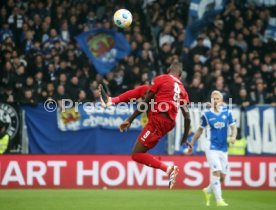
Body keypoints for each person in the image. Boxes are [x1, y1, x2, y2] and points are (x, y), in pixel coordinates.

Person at [110, 62, 192, 189]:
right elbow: (187, 118)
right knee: (144, 89)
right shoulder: (183, 91)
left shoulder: (161, 79)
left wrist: (130, 119)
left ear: (168, 70)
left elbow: (145, 103)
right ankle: (112, 100)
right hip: (169, 123)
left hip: (158, 120)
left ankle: (169, 169)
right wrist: (185, 137)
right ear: (180, 76)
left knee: (136, 154)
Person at [188, 90, 237, 206]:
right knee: (216, 172)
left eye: (217, 99)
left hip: (223, 148)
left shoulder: (228, 113)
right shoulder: (206, 114)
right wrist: (192, 143)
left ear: (221, 101)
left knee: (222, 177)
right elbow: (200, 130)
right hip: (211, 147)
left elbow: (234, 128)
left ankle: (208, 190)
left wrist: (233, 137)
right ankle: (219, 200)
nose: (215, 101)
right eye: (213, 98)